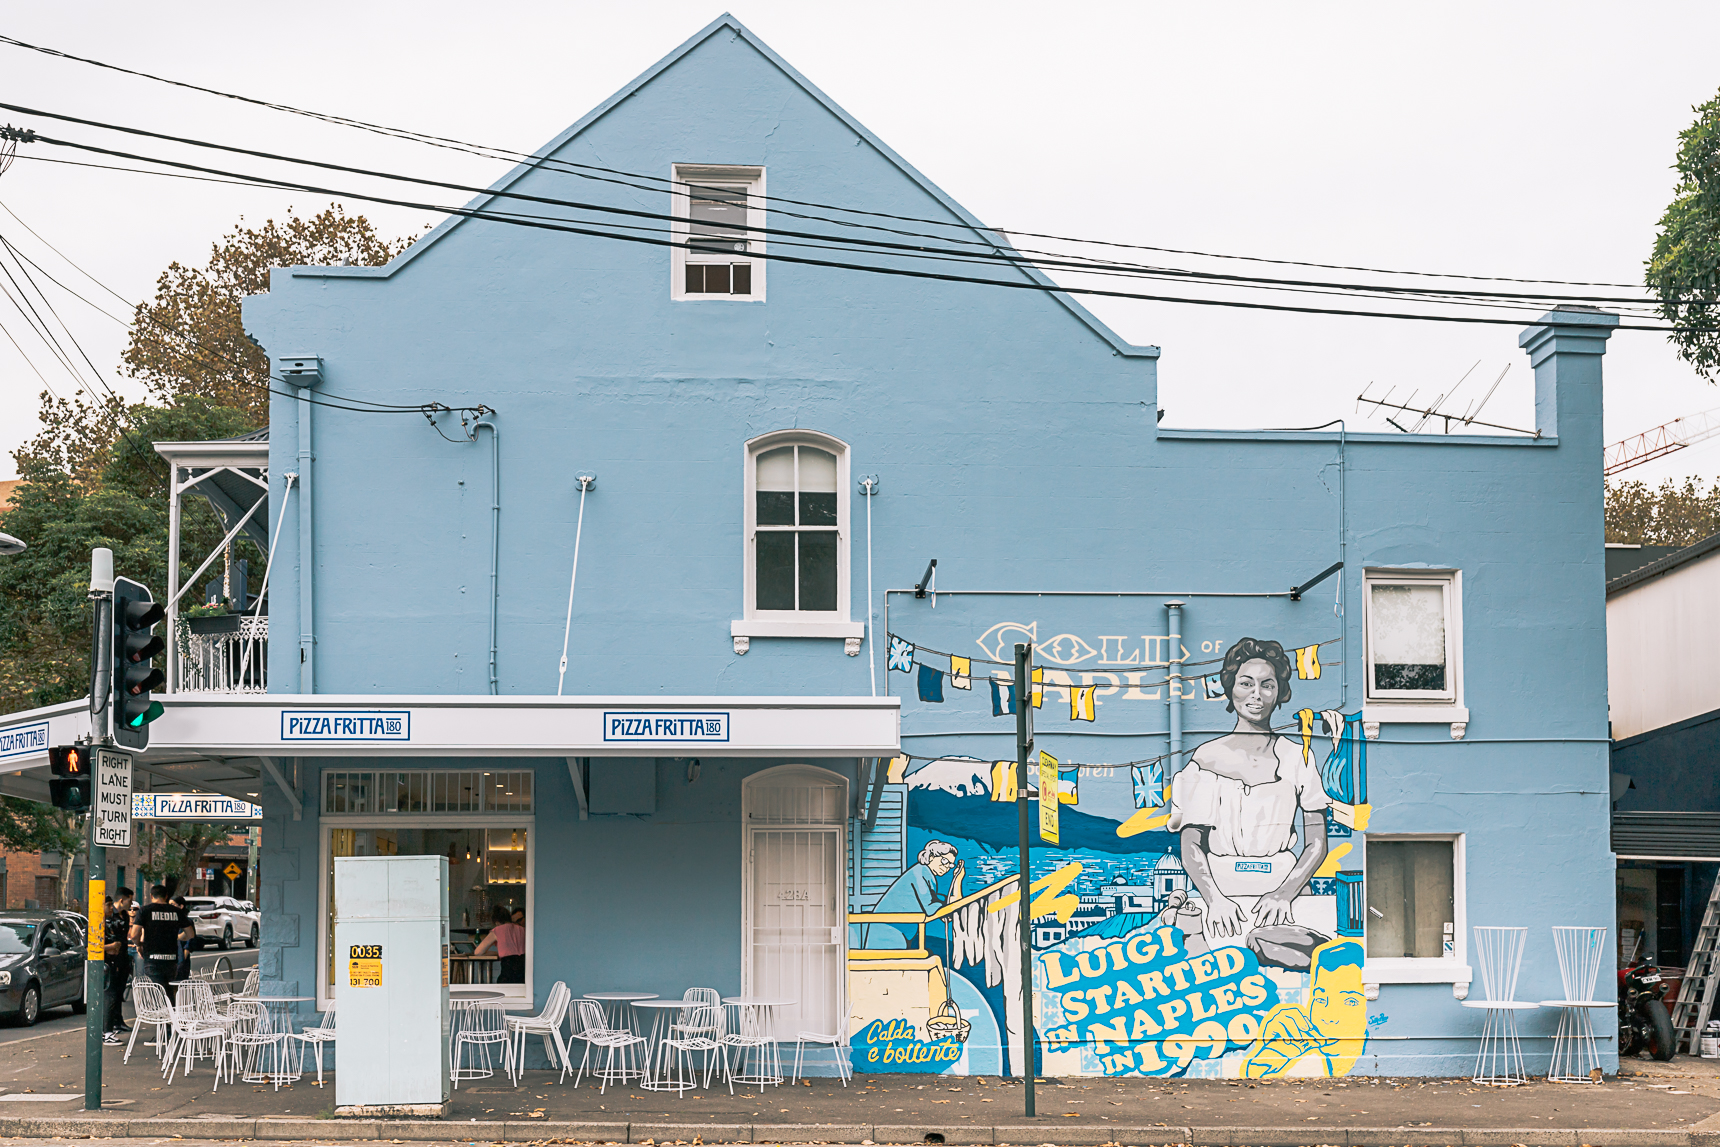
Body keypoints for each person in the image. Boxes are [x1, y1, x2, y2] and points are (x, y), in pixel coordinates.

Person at [1168, 636, 1332, 970]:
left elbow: (1316, 840)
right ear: (1230, 688)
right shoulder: (1206, 758)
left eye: (1267, 685)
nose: (1256, 694)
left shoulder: (1297, 756)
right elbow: (1191, 843)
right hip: (1221, 897)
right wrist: (1215, 900)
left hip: (1286, 896)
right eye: (1246, 683)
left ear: (1280, 692)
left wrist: (1285, 894)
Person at [1244, 939, 1369, 1078]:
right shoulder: (1306, 1063)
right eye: (1320, 999)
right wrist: (1269, 1056)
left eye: (1350, 1002)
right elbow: (1255, 1080)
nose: (1329, 1018)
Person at [859, 841, 965, 949]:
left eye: (950, 865)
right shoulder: (920, 872)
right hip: (888, 935)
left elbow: (952, 908)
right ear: (931, 857)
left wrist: (957, 880)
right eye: (944, 860)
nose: (947, 867)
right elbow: (932, 908)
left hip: (897, 935)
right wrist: (947, 905)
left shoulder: (925, 874)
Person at [131, 886, 193, 1003]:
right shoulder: (176, 911)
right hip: (171, 959)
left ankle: (161, 1014)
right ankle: (170, 1013)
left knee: (156, 993)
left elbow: (134, 935)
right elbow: (190, 934)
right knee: (169, 991)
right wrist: (177, 938)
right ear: (166, 896)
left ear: (151, 896)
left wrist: (139, 945)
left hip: (152, 958)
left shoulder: (145, 910)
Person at [102, 887, 135, 1044]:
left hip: (121, 957)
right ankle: (107, 1029)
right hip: (109, 962)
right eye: (130, 900)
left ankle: (116, 1022)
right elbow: (92, 946)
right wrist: (112, 946)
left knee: (118, 991)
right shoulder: (104, 921)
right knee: (110, 995)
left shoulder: (125, 916)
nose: (131, 904)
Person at [474, 904, 525, 983]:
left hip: (508, 973)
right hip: (524, 974)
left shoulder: (497, 930)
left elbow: (478, 952)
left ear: (496, 922)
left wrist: (496, 953)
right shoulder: (523, 930)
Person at [170, 895, 192, 983]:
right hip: (170, 957)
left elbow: (189, 942)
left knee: (181, 982)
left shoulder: (187, 921)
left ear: (181, 906)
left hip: (181, 956)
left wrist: (183, 958)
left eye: (172, 904)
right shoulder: (169, 921)